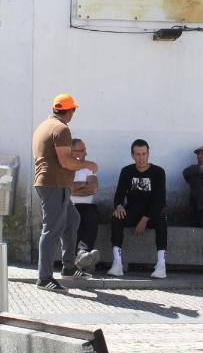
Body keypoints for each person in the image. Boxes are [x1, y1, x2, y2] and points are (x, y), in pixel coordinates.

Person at [31, 93, 99, 290]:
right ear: (70, 111)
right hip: (54, 185)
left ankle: (68, 267)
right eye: (73, 110)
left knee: (72, 219)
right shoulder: (61, 129)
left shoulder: (44, 126)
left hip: (53, 184)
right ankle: (44, 278)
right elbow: (66, 161)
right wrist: (88, 164)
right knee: (51, 230)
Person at [107, 139, 168, 279]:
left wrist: (145, 219)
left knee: (162, 218)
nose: (141, 158)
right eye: (138, 154)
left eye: (144, 154)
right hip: (132, 211)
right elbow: (119, 195)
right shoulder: (127, 171)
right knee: (116, 216)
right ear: (132, 155)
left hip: (151, 214)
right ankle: (117, 263)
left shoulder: (158, 172)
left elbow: (160, 201)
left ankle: (161, 265)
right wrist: (119, 206)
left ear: (148, 154)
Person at [70, 138, 100, 268]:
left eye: (85, 150)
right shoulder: (63, 168)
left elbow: (93, 188)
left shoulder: (88, 169)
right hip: (68, 206)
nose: (85, 153)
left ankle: (83, 252)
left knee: (91, 215)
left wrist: (73, 188)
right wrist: (83, 185)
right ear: (71, 151)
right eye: (82, 150)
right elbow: (65, 187)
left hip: (87, 207)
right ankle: (80, 256)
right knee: (73, 219)